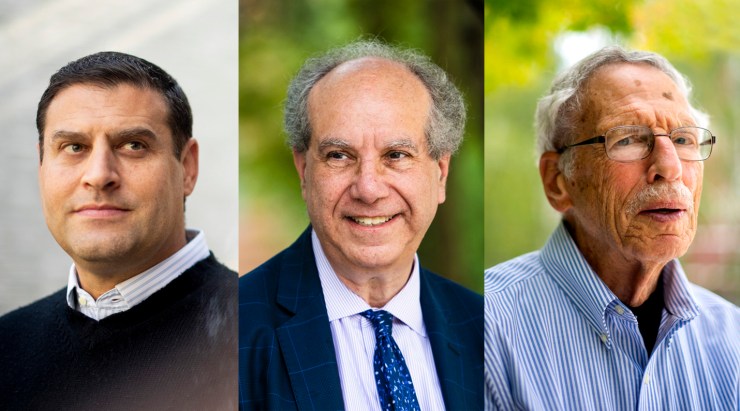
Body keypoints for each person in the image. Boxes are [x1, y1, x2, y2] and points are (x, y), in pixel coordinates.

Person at [485, 45, 739, 410]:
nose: (670, 167)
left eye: (683, 139)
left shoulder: (732, 337)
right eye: (629, 139)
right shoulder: (485, 327)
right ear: (558, 180)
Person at [239, 40, 483, 410]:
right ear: (303, 171)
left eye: (396, 155)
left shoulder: (487, 330)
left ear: (441, 174)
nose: (368, 188)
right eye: (339, 155)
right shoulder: (231, 332)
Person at [0, 52, 237, 410]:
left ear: (187, 168)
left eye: (133, 146)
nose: (98, 175)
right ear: (41, 167)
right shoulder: (8, 344)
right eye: (73, 147)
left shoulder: (260, 334)